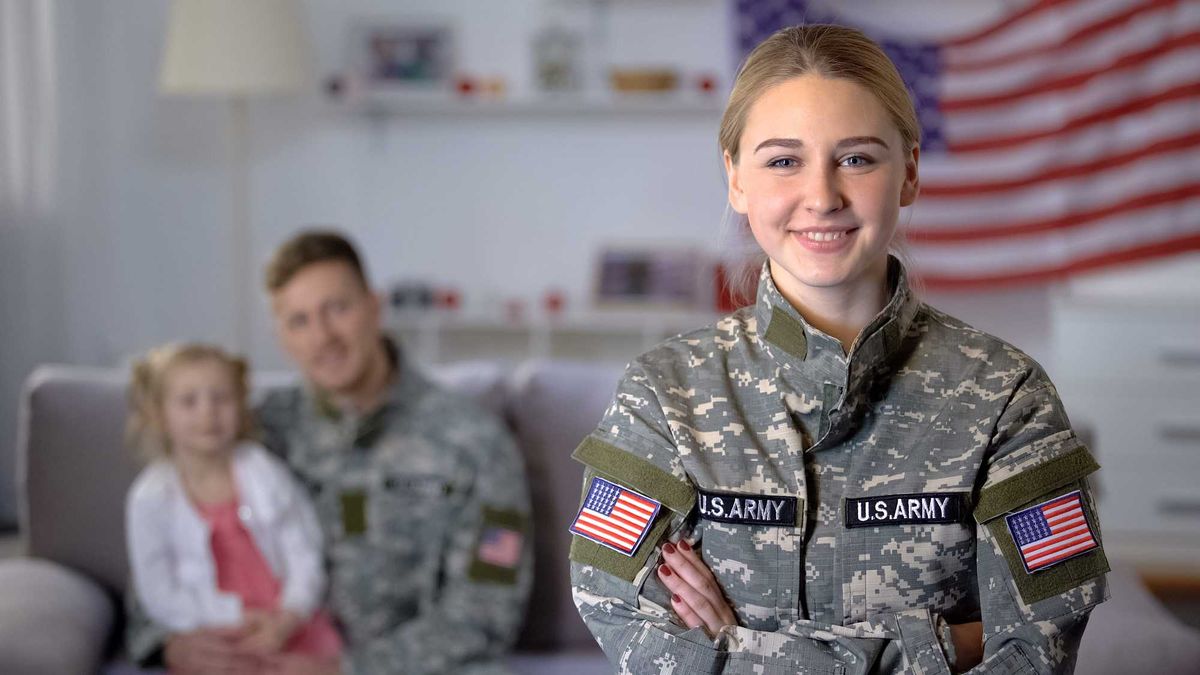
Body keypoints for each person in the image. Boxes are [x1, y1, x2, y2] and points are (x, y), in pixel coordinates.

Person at [569, 24, 1109, 674]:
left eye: (856, 158)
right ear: (735, 177)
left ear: (908, 171)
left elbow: (1032, 653)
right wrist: (945, 647)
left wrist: (734, 649)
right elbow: (623, 617)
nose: (822, 197)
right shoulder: (663, 394)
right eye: (783, 160)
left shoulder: (1008, 399)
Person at [126, 231, 533, 675]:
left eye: (337, 309)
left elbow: (487, 611)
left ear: (374, 307)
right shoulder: (251, 434)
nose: (322, 337)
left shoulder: (471, 440)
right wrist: (167, 642)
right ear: (280, 335)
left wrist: (346, 668)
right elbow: (162, 545)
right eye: (298, 321)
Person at [125, 344, 342, 663]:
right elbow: (157, 590)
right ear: (159, 414)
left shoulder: (265, 472)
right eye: (189, 401)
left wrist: (290, 614)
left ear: (240, 406)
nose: (207, 413)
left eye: (221, 398)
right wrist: (232, 616)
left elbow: (303, 548)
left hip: (286, 624)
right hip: (213, 634)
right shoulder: (150, 498)